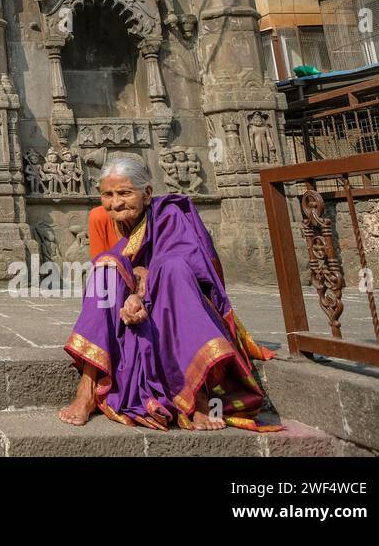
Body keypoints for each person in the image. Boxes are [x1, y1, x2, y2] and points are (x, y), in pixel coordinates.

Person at [59, 154, 278, 431]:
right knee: (104, 271)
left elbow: (184, 262)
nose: (115, 203)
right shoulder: (100, 217)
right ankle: (88, 387)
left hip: (175, 300)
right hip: (125, 309)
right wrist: (130, 292)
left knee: (172, 267)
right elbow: (108, 260)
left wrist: (142, 291)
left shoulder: (171, 213)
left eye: (125, 193)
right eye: (108, 194)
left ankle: (197, 394)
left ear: (147, 193)